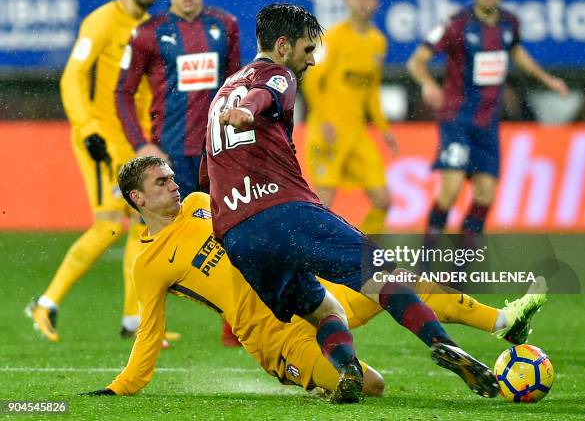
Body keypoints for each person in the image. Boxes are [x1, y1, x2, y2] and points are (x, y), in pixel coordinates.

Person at [202, 3, 500, 402]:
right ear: (283, 45)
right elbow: (264, 95)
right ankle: (444, 344)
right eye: (307, 50)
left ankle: (347, 372)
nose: (311, 60)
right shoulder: (278, 75)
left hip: (238, 237)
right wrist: (247, 111)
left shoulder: (222, 92)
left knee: (325, 312)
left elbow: (208, 174)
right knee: (382, 273)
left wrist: (238, 115)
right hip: (283, 211)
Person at [81, 156, 545, 397]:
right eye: (160, 183)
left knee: (393, 278)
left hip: (309, 292)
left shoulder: (203, 203)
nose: (173, 184)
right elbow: (149, 333)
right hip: (275, 336)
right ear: (137, 199)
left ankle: (502, 321)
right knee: (372, 386)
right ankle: (325, 379)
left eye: (170, 177)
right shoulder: (148, 262)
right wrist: (122, 386)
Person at [25, 0, 174, 343]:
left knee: (140, 226)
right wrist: (87, 127)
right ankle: (46, 303)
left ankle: (133, 319)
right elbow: (72, 75)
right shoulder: (103, 21)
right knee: (109, 225)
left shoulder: (153, 27)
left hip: (134, 141)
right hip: (101, 140)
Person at [115, 0, 241, 346]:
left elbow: (238, 83)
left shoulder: (225, 26)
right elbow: (122, 92)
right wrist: (143, 145)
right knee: (159, 240)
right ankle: (147, 323)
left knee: (231, 232)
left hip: (217, 151)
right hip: (169, 155)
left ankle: (234, 320)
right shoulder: (148, 33)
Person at [407, 0, 569, 257]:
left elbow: (516, 51)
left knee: (486, 195)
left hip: (488, 124)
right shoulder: (456, 23)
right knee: (450, 190)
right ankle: (425, 262)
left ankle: (460, 269)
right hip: (457, 119)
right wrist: (429, 85)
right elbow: (416, 61)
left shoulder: (509, 23)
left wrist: (548, 79)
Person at [302, 0, 397, 235]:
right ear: (346, 1)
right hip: (329, 131)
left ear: (376, 3)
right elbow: (311, 82)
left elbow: (372, 91)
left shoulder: (378, 41)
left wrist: (384, 128)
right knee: (323, 203)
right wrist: (324, 120)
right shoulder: (331, 38)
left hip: (357, 134)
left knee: (383, 201)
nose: (362, 2)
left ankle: (362, 253)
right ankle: (313, 264)